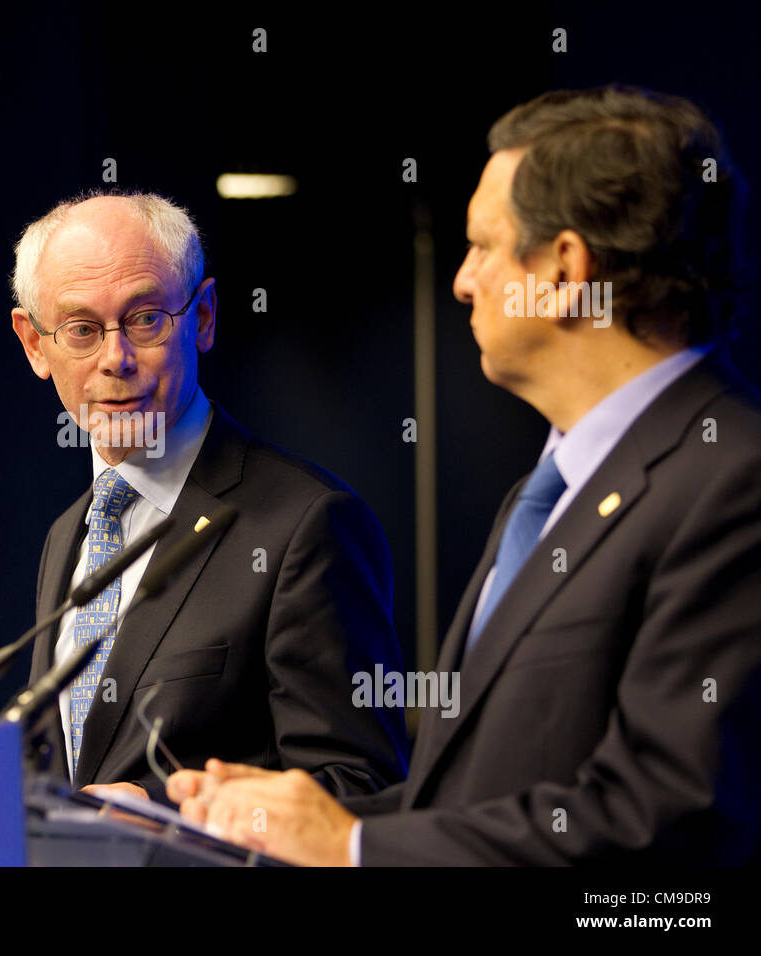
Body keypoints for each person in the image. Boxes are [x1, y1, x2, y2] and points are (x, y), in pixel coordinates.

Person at [168, 86, 761, 865]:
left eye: (483, 245)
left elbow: (669, 819)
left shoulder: (732, 482)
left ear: (562, 269)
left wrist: (353, 847)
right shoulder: (546, 491)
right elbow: (467, 800)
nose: (462, 280)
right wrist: (278, 817)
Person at [0, 194, 409, 805]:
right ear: (34, 344)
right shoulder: (71, 532)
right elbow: (63, 779)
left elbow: (358, 785)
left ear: (204, 318)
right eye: (80, 329)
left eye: (146, 318)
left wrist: (165, 811)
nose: (115, 358)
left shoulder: (306, 525)